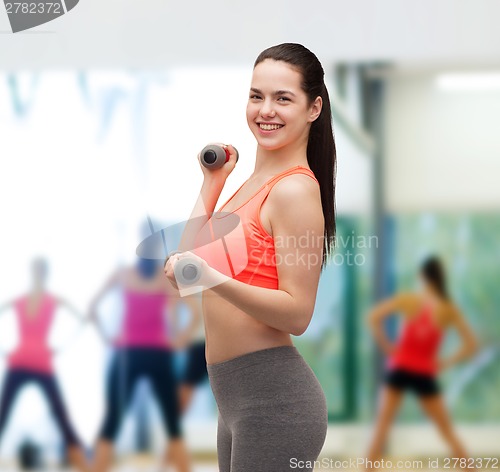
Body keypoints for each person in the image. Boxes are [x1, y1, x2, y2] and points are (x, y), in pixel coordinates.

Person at [164, 43, 336, 472]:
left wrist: (212, 278)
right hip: (236, 399)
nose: (266, 110)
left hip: (276, 402)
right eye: (257, 96)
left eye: (283, 98)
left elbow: (298, 314)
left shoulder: (294, 190)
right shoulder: (249, 184)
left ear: (313, 108)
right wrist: (213, 182)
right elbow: (185, 272)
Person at [366, 256, 479, 468]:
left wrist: (388, 347)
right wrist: (446, 362)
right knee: (446, 430)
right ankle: (470, 468)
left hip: (400, 368)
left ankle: (368, 468)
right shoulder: (448, 309)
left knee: (382, 426)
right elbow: (471, 344)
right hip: (424, 373)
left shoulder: (409, 300)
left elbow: (373, 317)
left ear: (423, 277)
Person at [89, 256, 190, 472]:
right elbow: (193, 313)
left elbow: (92, 307)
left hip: (129, 354)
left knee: (112, 421)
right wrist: (179, 338)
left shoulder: (124, 275)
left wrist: (107, 337)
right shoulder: (164, 280)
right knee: (173, 424)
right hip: (155, 354)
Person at [0, 257, 89, 471]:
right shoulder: (20, 299)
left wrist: (61, 347)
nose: (37, 274)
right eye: (36, 270)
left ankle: (84, 466)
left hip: (42, 363)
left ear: (45, 273)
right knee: (2, 416)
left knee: (61, 417)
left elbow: (82, 318)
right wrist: (4, 350)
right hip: (19, 362)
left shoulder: (53, 300)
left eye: (40, 270)